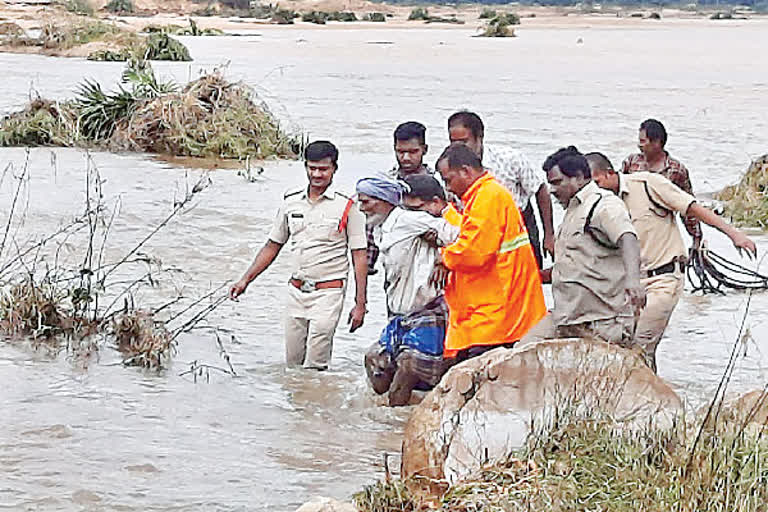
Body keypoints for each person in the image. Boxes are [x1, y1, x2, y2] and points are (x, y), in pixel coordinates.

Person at [587, 152, 757, 371]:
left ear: (610, 174)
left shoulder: (648, 184)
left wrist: (734, 234)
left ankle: (642, 399)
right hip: (630, 285)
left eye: (597, 182)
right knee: (627, 347)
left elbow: (693, 209)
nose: (595, 189)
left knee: (640, 347)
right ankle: (653, 397)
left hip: (664, 280)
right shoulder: (598, 205)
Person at [229, 141, 368, 371]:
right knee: (292, 365)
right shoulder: (290, 203)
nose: (316, 174)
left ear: (334, 168)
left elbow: (359, 257)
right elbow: (272, 246)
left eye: (323, 169)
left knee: (316, 365)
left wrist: (360, 304)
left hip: (329, 293)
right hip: (296, 292)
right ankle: (296, 406)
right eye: (311, 168)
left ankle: (316, 405)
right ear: (305, 167)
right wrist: (245, 280)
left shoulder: (348, 207)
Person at [435, 142, 547, 360]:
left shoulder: (487, 197)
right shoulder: (486, 195)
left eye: (449, 180)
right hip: (498, 309)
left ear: (466, 171)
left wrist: (443, 258)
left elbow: (473, 252)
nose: (448, 188)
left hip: (496, 316)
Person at [357, 176, 459, 406]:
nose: (361, 208)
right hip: (399, 315)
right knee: (374, 361)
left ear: (384, 201)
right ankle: (392, 417)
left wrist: (444, 255)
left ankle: (392, 431)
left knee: (407, 371)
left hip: (426, 310)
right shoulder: (379, 227)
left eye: (366, 202)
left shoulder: (412, 220)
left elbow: (463, 234)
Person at [542, 146, 645, 345]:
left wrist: (633, 281)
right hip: (566, 318)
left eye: (557, 182)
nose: (552, 190)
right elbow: (580, 263)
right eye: (549, 184)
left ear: (579, 177)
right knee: (519, 356)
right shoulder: (573, 209)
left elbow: (627, 238)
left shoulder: (604, 205)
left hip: (601, 323)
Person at [447, 111, 554, 268]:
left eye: (464, 142)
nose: (458, 148)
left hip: (519, 228)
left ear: (480, 137)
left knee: (527, 278)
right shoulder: (449, 168)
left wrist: (549, 235)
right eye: (453, 142)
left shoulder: (510, 159)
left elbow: (539, 190)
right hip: (477, 231)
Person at [621, 119, 703, 248]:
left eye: (643, 141)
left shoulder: (676, 170)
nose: (639, 145)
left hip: (661, 234)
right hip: (633, 228)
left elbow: (688, 207)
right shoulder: (631, 163)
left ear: (657, 142)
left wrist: (696, 239)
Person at [366, 121, 434, 275]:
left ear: (425, 150)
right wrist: (368, 264)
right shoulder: (386, 185)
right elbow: (371, 222)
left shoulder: (438, 183)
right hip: (394, 264)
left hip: (428, 261)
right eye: (400, 152)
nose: (406, 158)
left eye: (413, 152)